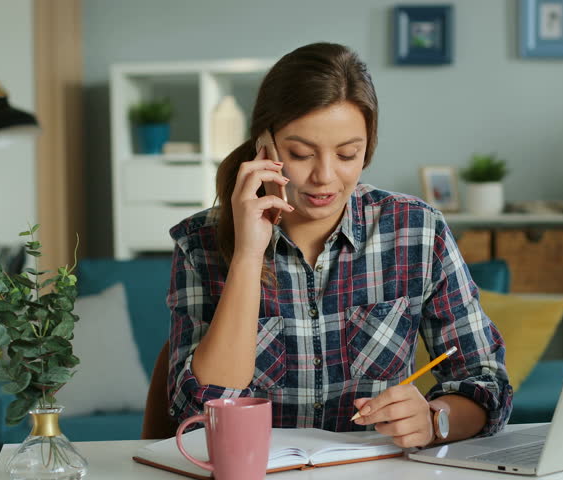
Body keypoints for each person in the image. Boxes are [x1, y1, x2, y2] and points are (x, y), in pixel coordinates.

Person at [167, 42, 512, 448]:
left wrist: (435, 420)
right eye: (301, 153)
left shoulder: (417, 231)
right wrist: (247, 256)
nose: (325, 177)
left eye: (348, 154)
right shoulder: (199, 243)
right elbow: (199, 409)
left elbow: (486, 382)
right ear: (264, 143)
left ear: (367, 149)